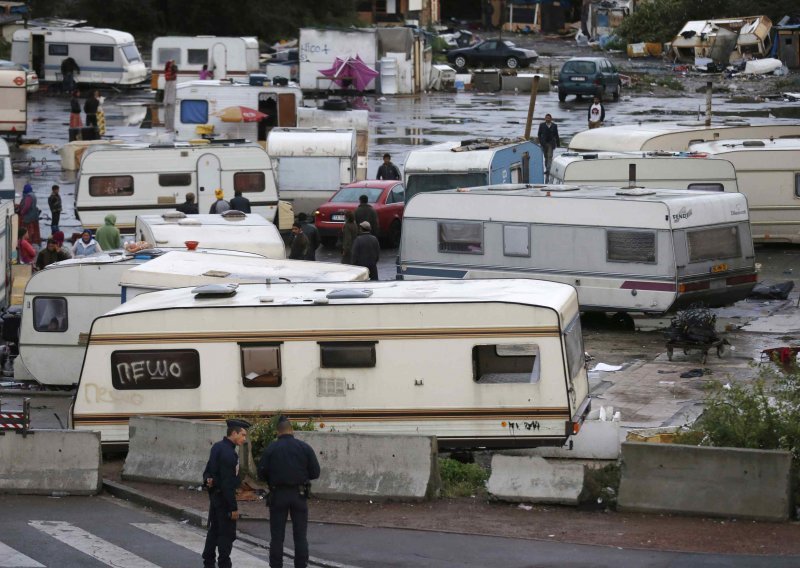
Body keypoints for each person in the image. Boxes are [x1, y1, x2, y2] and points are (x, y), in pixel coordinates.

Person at [257, 416, 320, 568]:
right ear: (291, 430)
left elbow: (261, 473)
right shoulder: (304, 448)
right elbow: (315, 472)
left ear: (277, 432)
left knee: (277, 537)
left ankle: (276, 565)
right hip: (299, 495)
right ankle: (300, 565)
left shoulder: (271, 449)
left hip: (278, 495)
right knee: (300, 536)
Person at [202, 418, 250, 568]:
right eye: (243, 435)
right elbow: (228, 484)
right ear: (234, 433)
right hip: (224, 499)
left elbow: (208, 470)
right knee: (226, 534)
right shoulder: (230, 454)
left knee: (214, 530)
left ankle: (208, 560)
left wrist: (208, 480)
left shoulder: (217, 447)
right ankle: (224, 563)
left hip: (215, 497)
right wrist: (233, 508)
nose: (244, 438)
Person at [164, 60, 178, 130]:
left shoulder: (168, 70)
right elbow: (174, 74)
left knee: (168, 93)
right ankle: (171, 127)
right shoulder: (172, 70)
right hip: (171, 83)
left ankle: (169, 127)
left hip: (169, 83)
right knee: (171, 112)